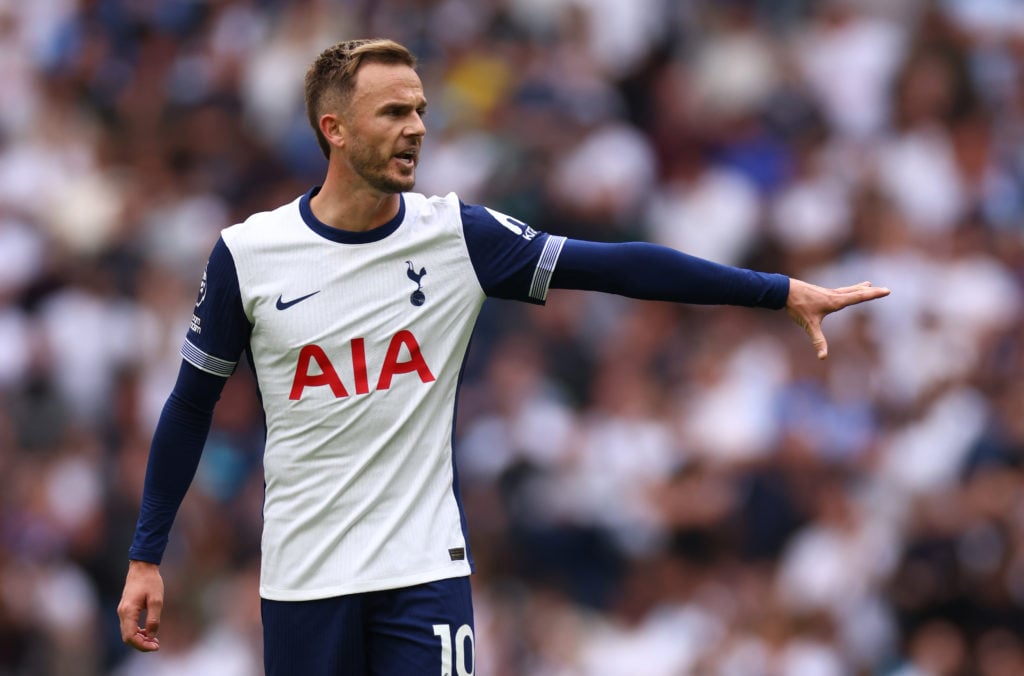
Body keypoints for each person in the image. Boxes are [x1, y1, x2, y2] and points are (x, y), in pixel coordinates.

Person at [117, 38, 889, 675]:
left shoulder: (457, 237)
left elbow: (616, 266)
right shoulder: (250, 255)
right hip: (304, 576)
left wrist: (775, 290)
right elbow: (191, 404)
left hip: (425, 571)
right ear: (334, 129)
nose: (418, 127)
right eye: (393, 112)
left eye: (421, 109)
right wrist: (148, 555)